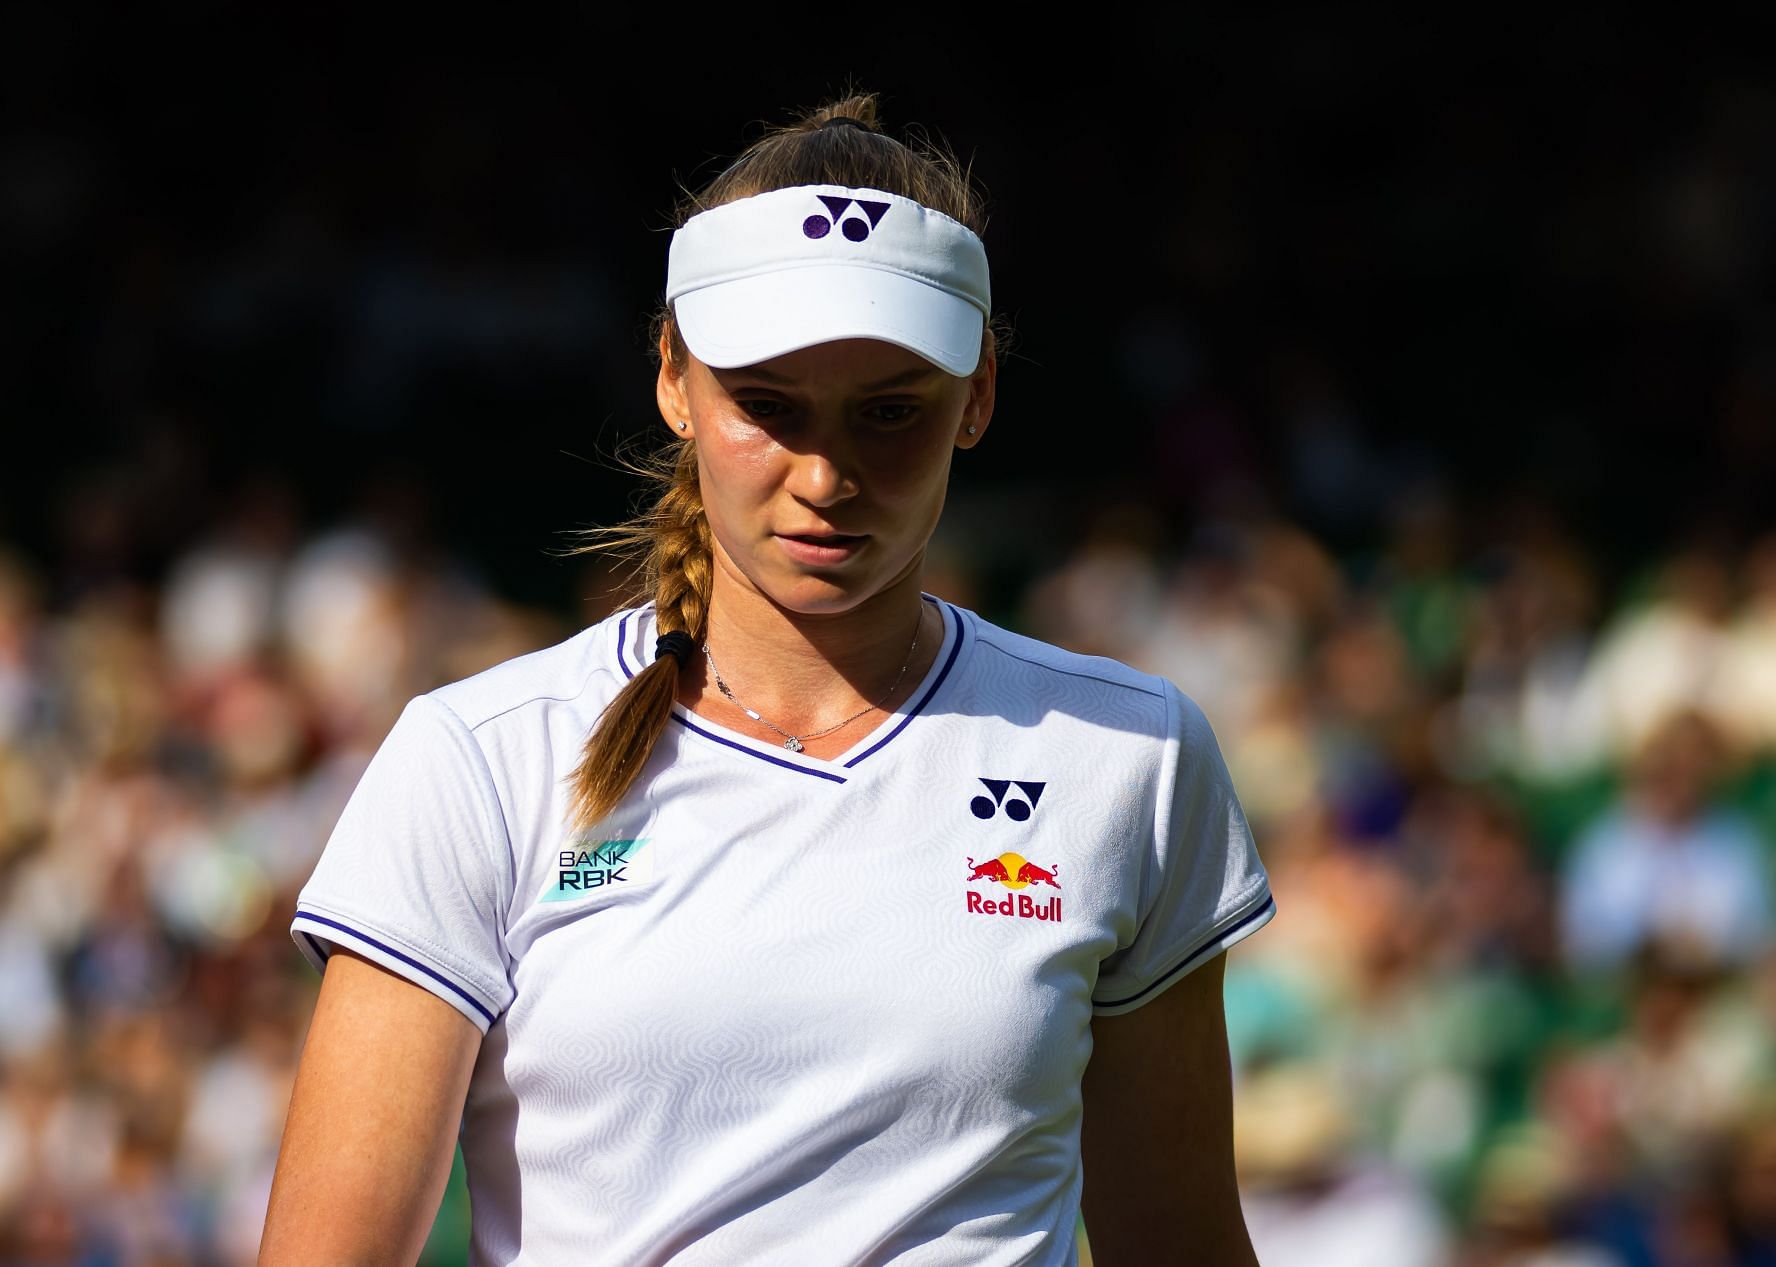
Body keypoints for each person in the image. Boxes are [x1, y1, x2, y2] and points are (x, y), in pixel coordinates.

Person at [258, 95, 1275, 1267]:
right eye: (768, 406)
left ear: (979, 394)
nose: (827, 473)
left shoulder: (1129, 755)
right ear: (673, 382)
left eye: (891, 412)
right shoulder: (483, 757)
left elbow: (1180, 1243)